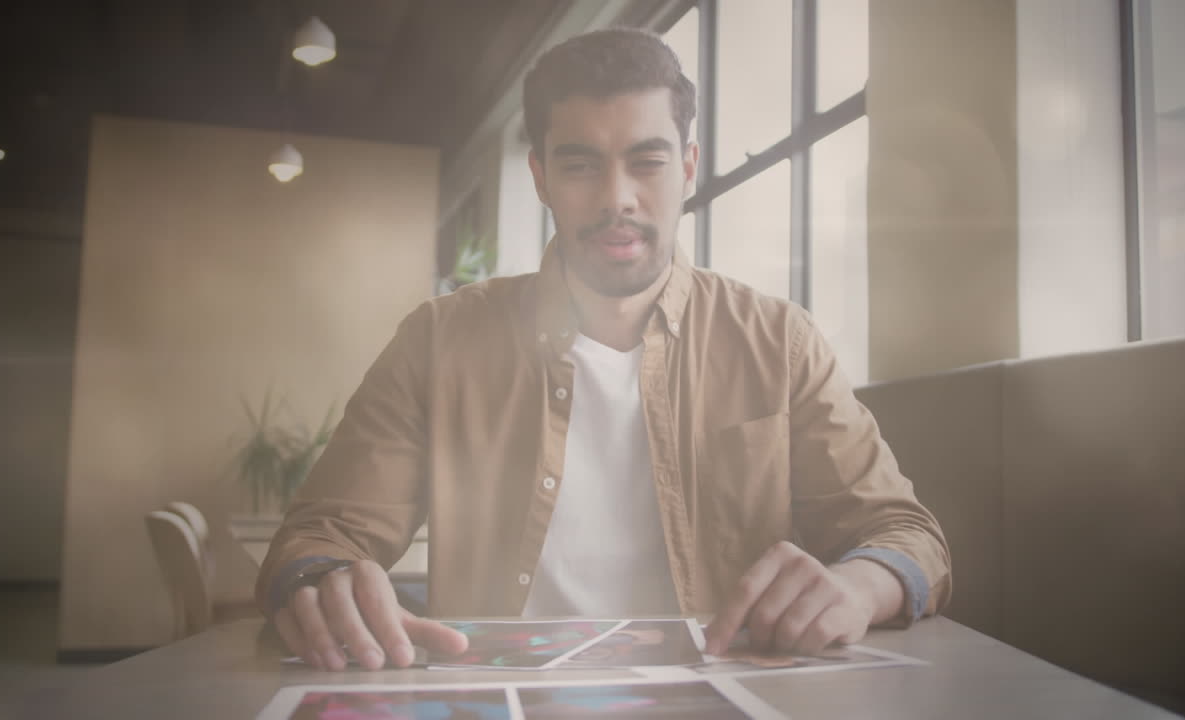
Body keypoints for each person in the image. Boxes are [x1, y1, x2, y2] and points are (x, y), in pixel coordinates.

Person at [256, 27, 951, 672]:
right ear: (540, 176)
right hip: (499, 697)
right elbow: (322, 532)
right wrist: (320, 580)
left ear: (687, 167)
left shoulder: (780, 341)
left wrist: (862, 584)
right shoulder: (438, 342)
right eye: (581, 165)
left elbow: (904, 532)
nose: (617, 198)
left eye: (646, 162)